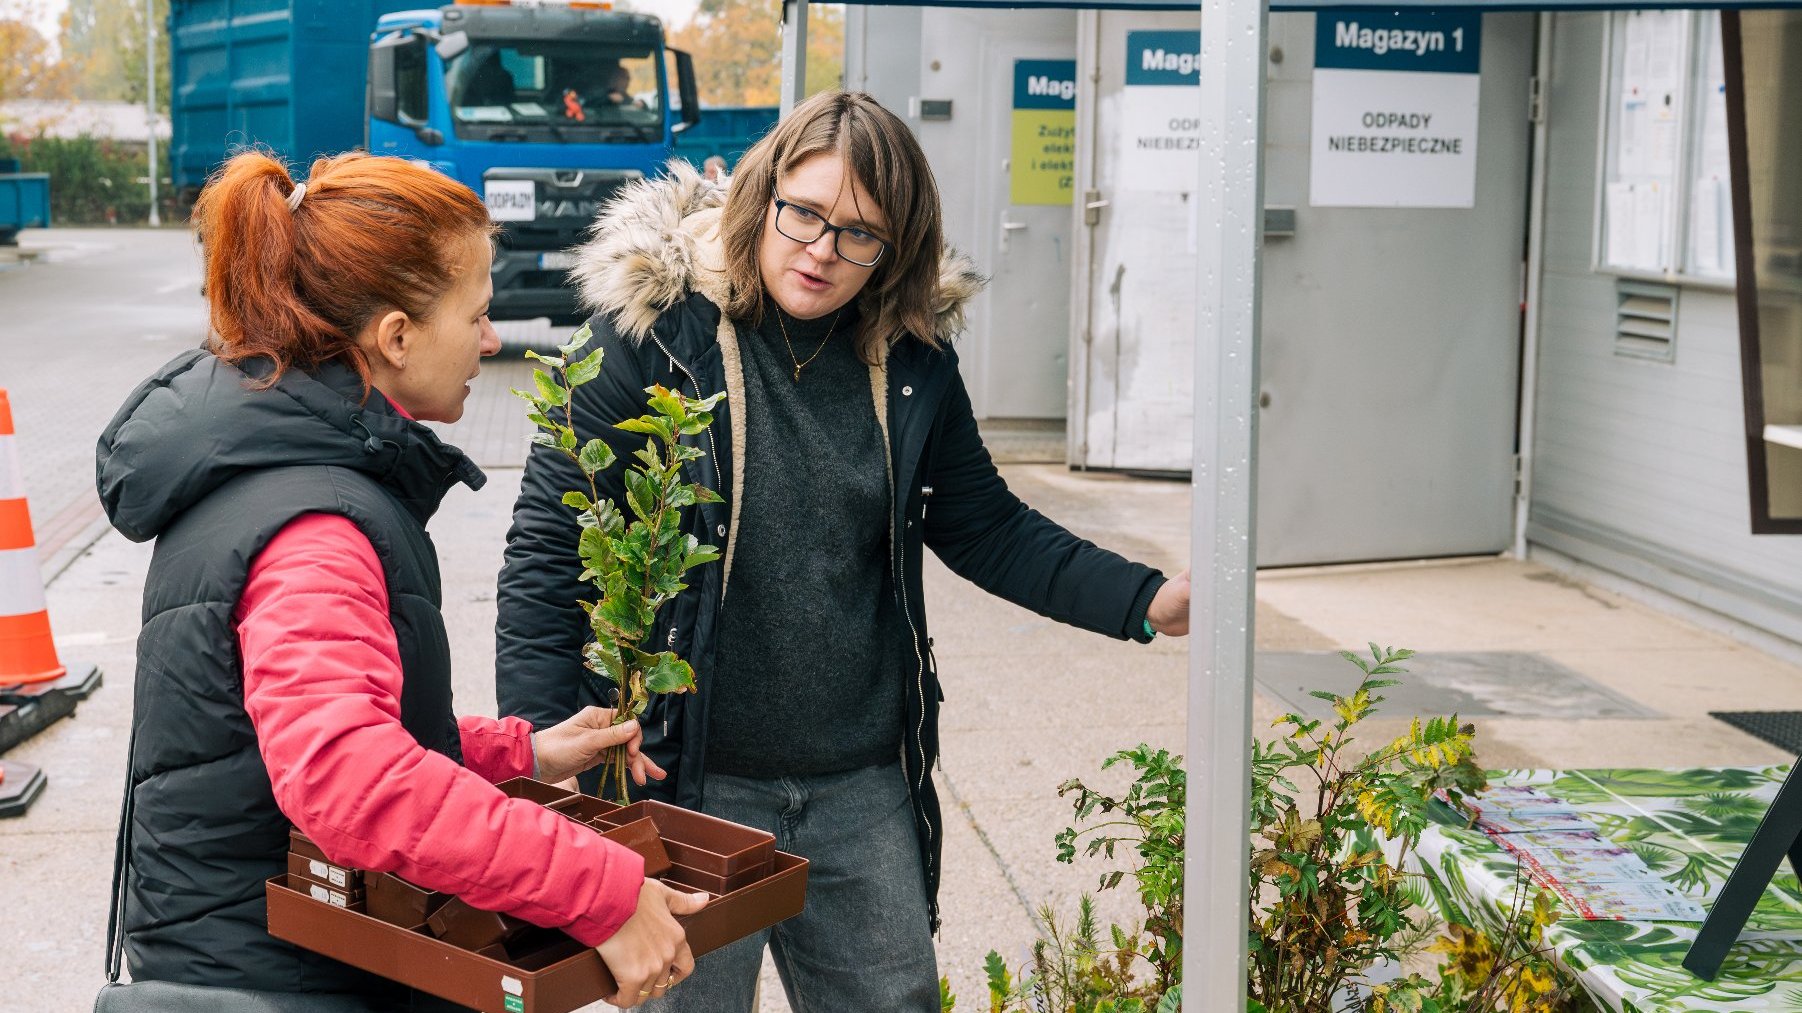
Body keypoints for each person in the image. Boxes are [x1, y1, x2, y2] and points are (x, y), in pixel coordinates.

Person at [493, 90, 1191, 1012]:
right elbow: (549, 553)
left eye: (859, 234)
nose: (821, 251)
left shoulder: (911, 363)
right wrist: (549, 768)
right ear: (764, 194)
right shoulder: (655, 335)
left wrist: (1143, 598)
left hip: (861, 787)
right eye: (805, 214)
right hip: (692, 781)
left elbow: (986, 526)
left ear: (896, 250)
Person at [96, 151, 706, 1011]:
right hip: (283, 977)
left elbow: (298, 718)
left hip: (263, 953)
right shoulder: (316, 523)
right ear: (395, 335)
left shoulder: (280, 459)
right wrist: (598, 888)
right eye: (480, 315)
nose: (491, 342)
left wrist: (521, 751)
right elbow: (347, 774)